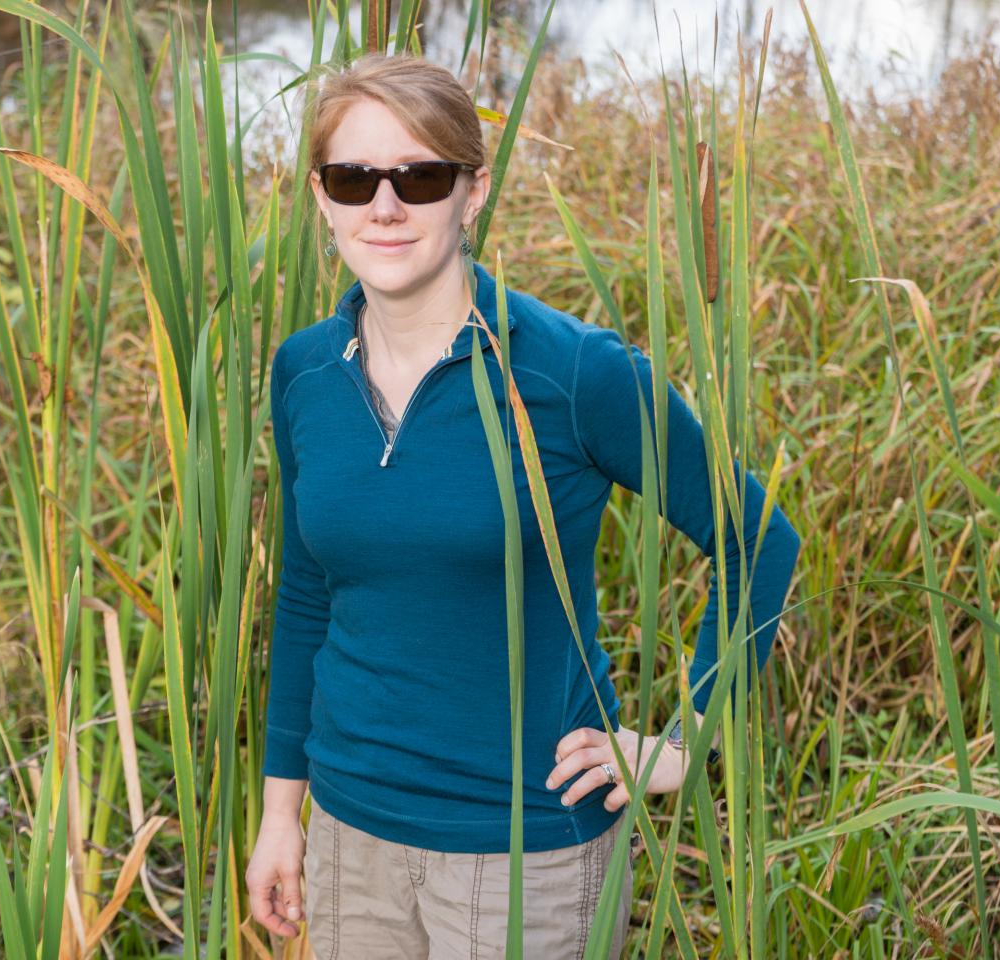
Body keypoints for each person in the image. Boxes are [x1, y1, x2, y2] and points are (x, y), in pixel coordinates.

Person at [244, 53, 802, 959]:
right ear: (322, 195)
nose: (384, 206)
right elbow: (308, 593)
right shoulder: (304, 370)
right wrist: (281, 811)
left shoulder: (572, 373)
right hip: (350, 840)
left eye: (419, 177)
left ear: (472, 191)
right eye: (354, 178)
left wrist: (684, 739)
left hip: (526, 856)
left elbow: (757, 540)